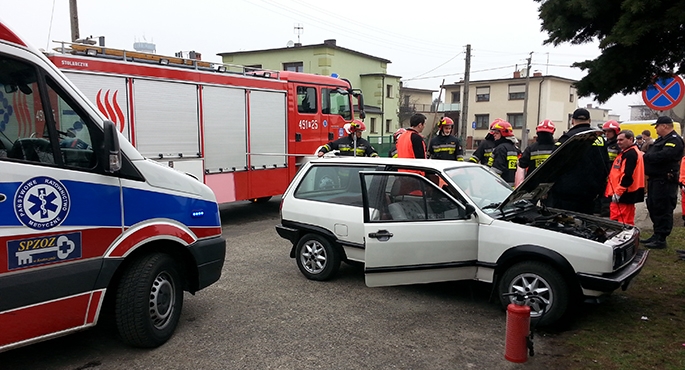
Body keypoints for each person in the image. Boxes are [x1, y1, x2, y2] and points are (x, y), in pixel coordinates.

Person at [547, 108, 610, 214]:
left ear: (572, 121)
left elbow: (552, 166)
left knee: (566, 224)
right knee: (586, 224)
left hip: (566, 192)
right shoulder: (600, 140)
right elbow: (605, 166)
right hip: (590, 192)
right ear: (589, 121)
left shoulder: (566, 139)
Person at [641, 116, 684, 249]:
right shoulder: (661, 140)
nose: (656, 129)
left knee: (663, 208)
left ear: (665, 126)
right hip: (655, 180)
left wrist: (646, 157)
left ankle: (661, 238)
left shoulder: (674, 140)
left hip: (665, 181)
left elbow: (664, 156)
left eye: (657, 126)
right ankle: (656, 234)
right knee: (653, 206)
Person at [605, 130, 644, 225]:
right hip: (625, 193)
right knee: (624, 220)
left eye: (621, 140)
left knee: (621, 221)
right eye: (617, 140)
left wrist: (618, 193)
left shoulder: (630, 154)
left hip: (624, 193)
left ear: (630, 139)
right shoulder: (629, 152)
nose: (618, 142)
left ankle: (622, 238)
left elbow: (627, 176)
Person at [487, 120, 520, 186]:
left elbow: (497, 170)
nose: (494, 135)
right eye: (494, 133)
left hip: (500, 186)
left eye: (496, 133)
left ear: (503, 134)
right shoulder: (514, 148)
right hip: (511, 186)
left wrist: (489, 184)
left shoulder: (501, 148)